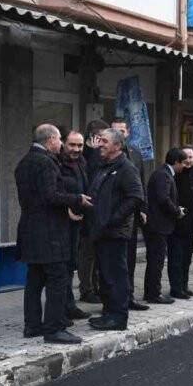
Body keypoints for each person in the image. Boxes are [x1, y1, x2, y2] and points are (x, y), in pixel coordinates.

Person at [14, 124, 92, 344]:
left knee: (35, 279)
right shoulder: (45, 162)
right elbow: (50, 196)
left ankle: (32, 325)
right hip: (49, 232)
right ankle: (54, 328)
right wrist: (76, 198)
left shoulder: (24, 162)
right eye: (59, 140)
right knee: (57, 279)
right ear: (50, 140)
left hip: (30, 229)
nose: (61, 144)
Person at [87, 128, 145, 331]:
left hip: (114, 232)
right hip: (101, 231)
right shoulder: (104, 165)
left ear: (118, 146)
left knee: (116, 276)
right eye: (99, 139)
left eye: (104, 140)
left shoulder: (126, 168)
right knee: (106, 276)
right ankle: (109, 313)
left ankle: (118, 317)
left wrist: (114, 219)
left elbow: (136, 197)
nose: (99, 143)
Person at [110, 118, 149, 312]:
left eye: (122, 131)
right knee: (113, 261)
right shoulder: (104, 155)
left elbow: (141, 183)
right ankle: (110, 302)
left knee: (130, 259)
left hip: (131, 215)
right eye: (115, 131)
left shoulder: (135, 154)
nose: (119, 135)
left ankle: (129, 296)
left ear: (128, 132)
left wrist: (143, 208)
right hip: (112, 215)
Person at [143, 148, 187, 304]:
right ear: (176, 162)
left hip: (157, 225)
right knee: (157, 260)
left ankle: (150, 291)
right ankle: (154, 293)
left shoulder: (163, 173)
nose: (184, 167)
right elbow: (163, 198)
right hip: (158, 226)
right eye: (183, 163)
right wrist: (177, 211)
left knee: (155, 260)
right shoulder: (163, 175)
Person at [57, 130, 90, 323]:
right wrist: (66, 209)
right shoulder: (57, 163)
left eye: (80, 146)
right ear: (63, 144)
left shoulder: (81, 162)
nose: (76, 149)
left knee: (71, 265)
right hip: (61, 223)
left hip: (77, 222)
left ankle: (69, 305)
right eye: (72, 145)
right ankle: (62, 307)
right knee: (62, 267)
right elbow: (53, 191)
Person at [77, 119, 109, 304]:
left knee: (96, 253)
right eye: (102, 139)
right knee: (87, 254)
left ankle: (94, 287)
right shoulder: (85, 155)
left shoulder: (96, 154)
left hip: (98, 211)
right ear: (94, 137)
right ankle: (86, 289)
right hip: (86, 211)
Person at [170, 145, 193, 299]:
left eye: (191, 157)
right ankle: (175, 288)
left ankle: (184, 285)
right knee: (176, 257)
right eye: (186, 158)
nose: (189, 161)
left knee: (187, 258)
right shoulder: (175, 174)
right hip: (177, 223)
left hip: (192, 223)